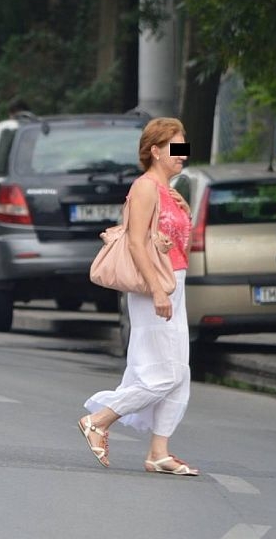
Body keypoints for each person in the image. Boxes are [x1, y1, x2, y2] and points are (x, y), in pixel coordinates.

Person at [77, 117, 198, 475]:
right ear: (156, 151)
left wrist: (184, 212)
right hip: (154, 287)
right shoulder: (146, 187)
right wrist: (157, 289)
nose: (183, 154)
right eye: (176, 148)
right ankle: (98, 420)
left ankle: (158, 452)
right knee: (163, 374)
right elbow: (134, 241)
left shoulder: (170, 191)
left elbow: (169, 239)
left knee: (179, 373)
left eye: (184, 146)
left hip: (174, 282)